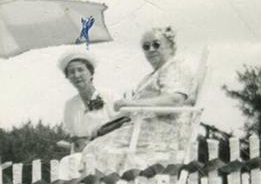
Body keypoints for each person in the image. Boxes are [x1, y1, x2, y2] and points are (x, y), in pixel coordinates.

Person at [79, 26, 198, 173]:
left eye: (156, 44)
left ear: (170, 46)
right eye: (146, 47)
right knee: (92, 149)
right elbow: (131, 111)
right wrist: (105, 125)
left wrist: (132, 103)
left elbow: (175, 100)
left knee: (94, 151)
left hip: (164, 133)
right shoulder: (151, 76)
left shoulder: (175, 67)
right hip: (145, 130)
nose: (151, 50)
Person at [56, 50, 113, 150]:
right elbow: (71, 133)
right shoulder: (70, 105)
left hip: (109, 149)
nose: (76, 75)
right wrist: (77, 141)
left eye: (80, 70)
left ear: (91, 73)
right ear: (68, 77)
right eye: (72, 72)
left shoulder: (108, 96)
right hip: (82, 153)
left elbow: (123, 125)